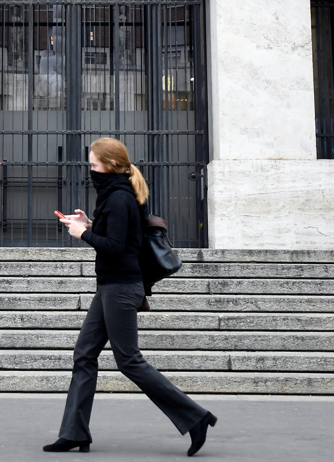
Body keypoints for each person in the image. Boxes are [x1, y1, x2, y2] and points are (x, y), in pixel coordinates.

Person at [43, 138, 217, 456]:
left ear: (109, 166)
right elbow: (117, 235)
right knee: (84, 355)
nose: (91, 170)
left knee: (129, 361)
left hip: (121, 288)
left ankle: (196, 418)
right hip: (110, 286)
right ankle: (74, 432)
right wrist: (88, 224)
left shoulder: (120, 196)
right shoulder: (115, 194)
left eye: (94, 165)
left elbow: (117, 247)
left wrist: (83, 234)